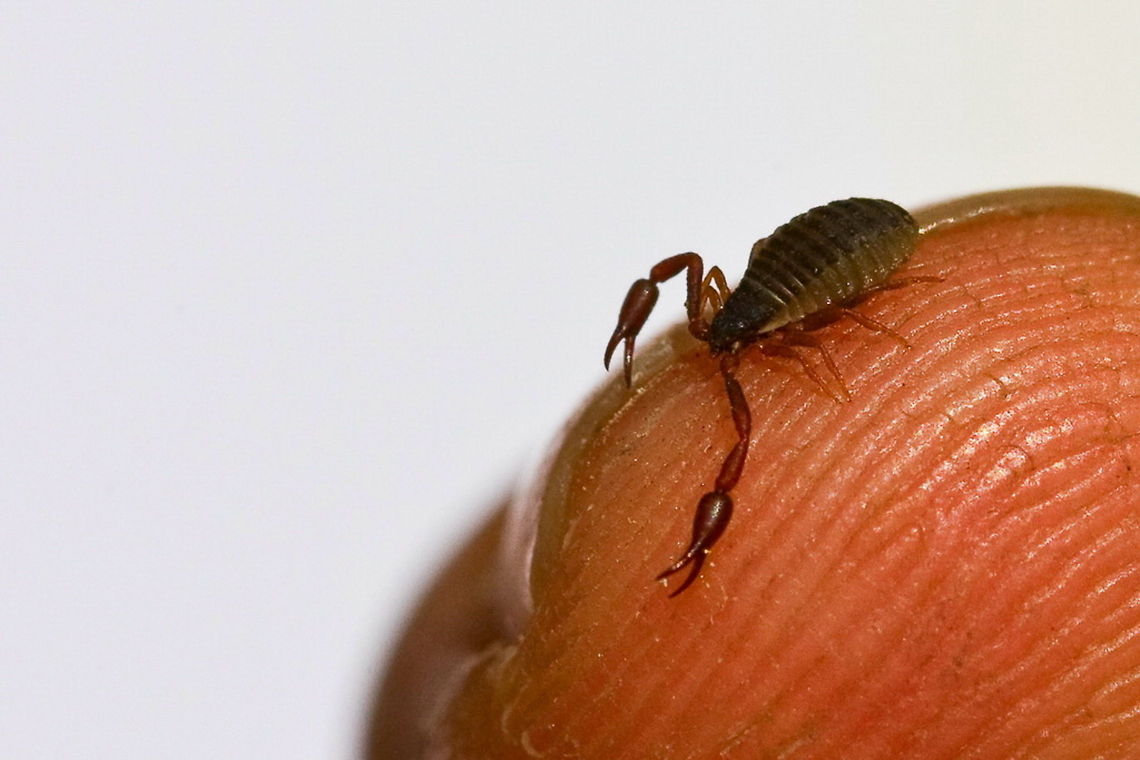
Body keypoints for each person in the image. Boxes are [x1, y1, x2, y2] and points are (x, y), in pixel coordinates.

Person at [369, 188, 1140, 759]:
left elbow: (756, 340)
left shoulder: (774, 333)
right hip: (787, 276)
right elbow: (678, 276)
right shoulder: (731, 324)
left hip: (841, 252)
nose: (713, 345)